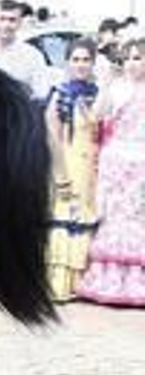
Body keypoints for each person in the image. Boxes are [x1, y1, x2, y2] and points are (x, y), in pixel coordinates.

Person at [76, 38, 145, 307]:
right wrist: (104, 86)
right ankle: (108, 280)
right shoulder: (116, 88)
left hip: (141, 162)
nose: (131, 64)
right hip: (115, 161)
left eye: (138, 58)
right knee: (113, 218)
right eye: (127, 58)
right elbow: (96, 117)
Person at [45, 39, 102, 303]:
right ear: (67, 62)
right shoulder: (60, 94)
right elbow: (52, 137)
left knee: (88, 216)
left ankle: (85, 282)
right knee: (67, 215)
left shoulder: (99, 92)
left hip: (93, 165)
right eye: (76, 59)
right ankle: (61, 284)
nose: (80, 65)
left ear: (93, 62)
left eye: (86, 60)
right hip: (68, 162)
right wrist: (61, 177)